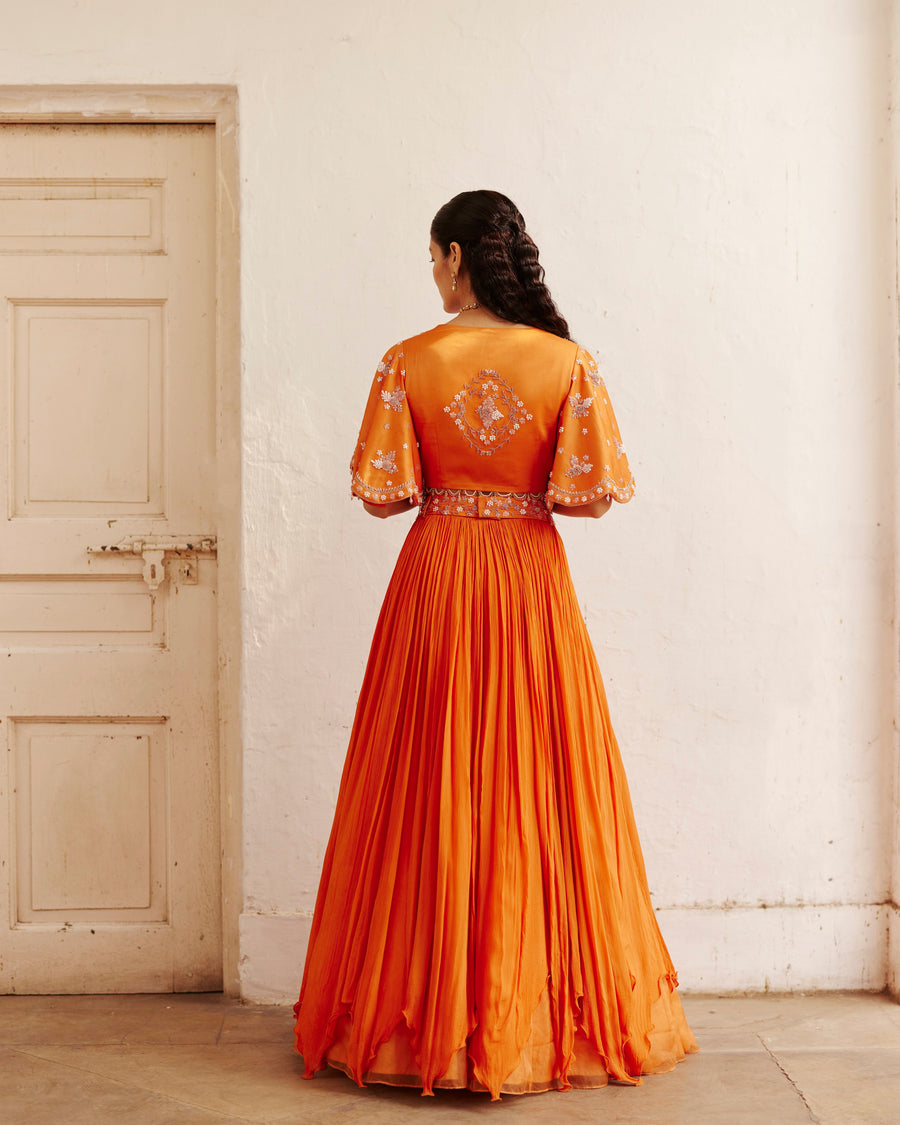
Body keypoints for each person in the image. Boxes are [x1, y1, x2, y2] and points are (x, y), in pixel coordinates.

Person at [292, 190, 697, 1100]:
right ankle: (535, 1021)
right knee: (540, 780)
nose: (430, 273)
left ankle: (416, 1026)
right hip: (526, 580)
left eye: (431, 257)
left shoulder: (407, 361)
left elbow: (382, 495)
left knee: (426, 777)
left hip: (437, 577)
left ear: (452, 256)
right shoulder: (568, 361)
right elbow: (588, 497)